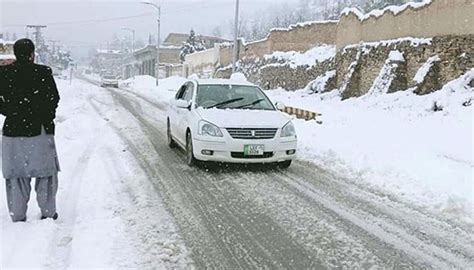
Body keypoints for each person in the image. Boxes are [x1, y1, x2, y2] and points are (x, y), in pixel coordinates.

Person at [0, 39, 60, 222]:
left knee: (16, 174)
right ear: (33, 54)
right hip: (40, 130)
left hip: (13, 131)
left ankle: (17, 214)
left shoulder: (4, 73)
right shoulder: (43, 72)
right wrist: (44, 115)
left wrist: (11, 112)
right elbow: (54, 98)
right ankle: (48, 212)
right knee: (46, 174)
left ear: (16, 54)